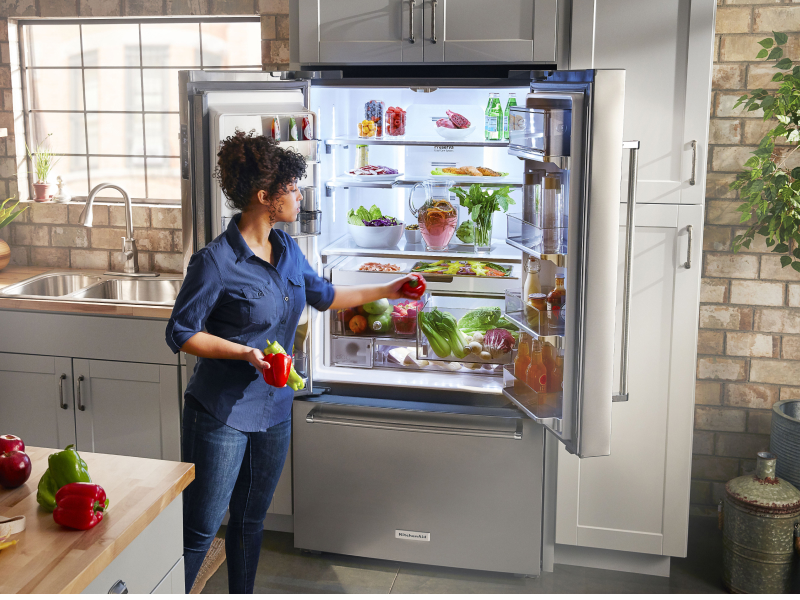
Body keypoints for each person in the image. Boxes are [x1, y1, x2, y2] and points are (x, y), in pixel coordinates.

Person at [165, 130, 417, 593]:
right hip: (220, 414)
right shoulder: (215, 262)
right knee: (200, 530)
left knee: (249, 521)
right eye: (292, 188)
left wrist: (390, 287)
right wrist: (245, 352)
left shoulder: (287, 251)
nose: (299, 196)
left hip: (275, 409)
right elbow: (181, 332)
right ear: (265, 197)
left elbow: (327, 295)